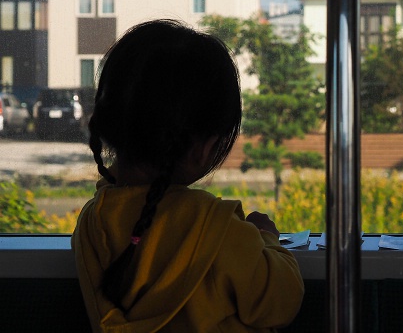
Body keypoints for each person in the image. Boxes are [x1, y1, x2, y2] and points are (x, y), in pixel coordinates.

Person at [72, 19, 304, 333]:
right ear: (204, 148)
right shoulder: (218, 228)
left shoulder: (93, 221)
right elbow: (280, 301)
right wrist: (268, 239)